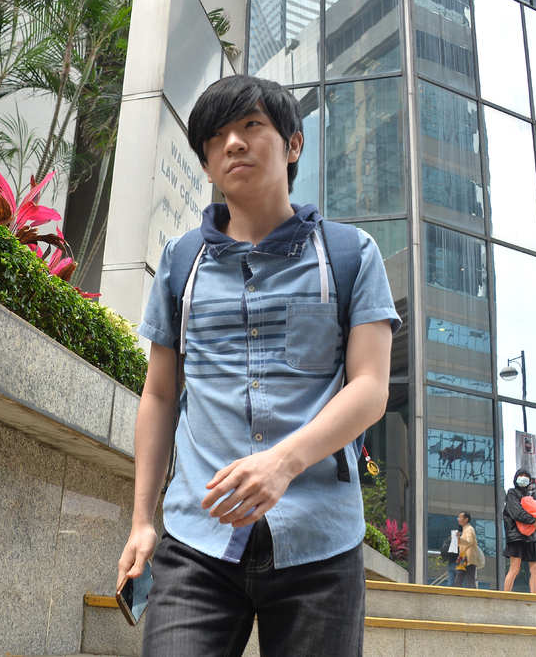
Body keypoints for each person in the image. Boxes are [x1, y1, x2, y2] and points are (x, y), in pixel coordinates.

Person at [115, 74, 400, 656]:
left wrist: (282, 463)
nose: (234, 144)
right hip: (197, 542)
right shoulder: (179, 262)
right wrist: (142, 519)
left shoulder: (350, 254)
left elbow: (370, 387)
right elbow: (161, 395)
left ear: (293, 144)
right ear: (206, 162)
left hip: (319, 543)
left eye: (251, 126)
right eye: (216, 136)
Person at [503, 468, 536, 593]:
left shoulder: (532, 496)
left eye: (526, 476)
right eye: (521, 475)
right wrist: (533, 521)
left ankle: (534, 598)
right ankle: (505, 597)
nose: (523, 477)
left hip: (531, 535)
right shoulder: (512, 493)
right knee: (515, 568)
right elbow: (517, 512)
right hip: (516, 535)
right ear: (516, 478)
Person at [455, 512, 477, 589]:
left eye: (460, 517)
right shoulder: (465, 529)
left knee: (469, 581)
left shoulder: (469, 529)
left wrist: (459, 538)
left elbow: (469, 541)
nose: (459, 519)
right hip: (464, 558)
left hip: (468, 558)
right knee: (459, 580)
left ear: (466, 519)